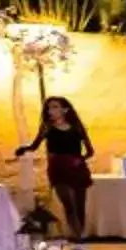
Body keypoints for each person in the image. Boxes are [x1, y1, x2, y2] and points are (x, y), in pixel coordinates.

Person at [14, 95, 97, 240]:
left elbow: (90, 151)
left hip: (76, 168)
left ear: (65, 109)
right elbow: (34, 145)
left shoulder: (77, 127)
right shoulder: (47, 127)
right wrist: (24, 149)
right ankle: (77, 235)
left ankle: (80, 233)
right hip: (57, 168)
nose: (51, 110)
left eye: (55, 107)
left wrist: (79, 160)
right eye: (49, 108)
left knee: (79, 204)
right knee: (68, 202)